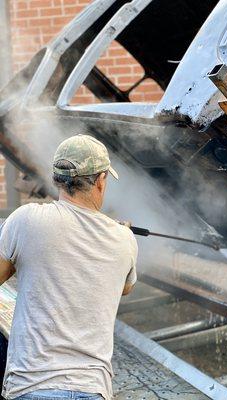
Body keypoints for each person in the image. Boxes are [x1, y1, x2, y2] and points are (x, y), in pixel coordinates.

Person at [0, 134, 138, 400]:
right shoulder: (124, 239)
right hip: (92, 389)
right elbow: (124, 288)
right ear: (100, 180)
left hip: (32, 386)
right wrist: (118, 234)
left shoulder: (26, 221)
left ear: (56, 179)